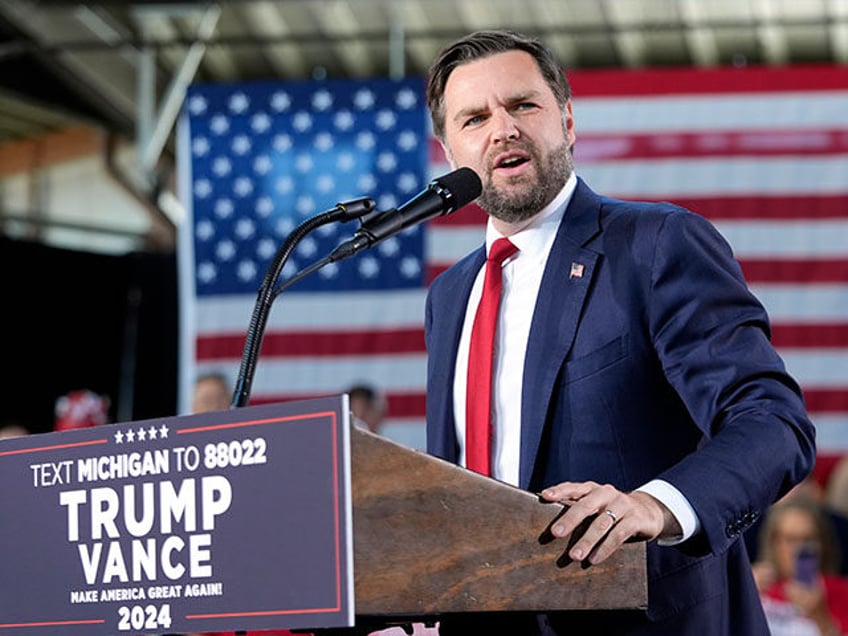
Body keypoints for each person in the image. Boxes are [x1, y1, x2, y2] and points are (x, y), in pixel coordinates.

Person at [423, 29, 815, 634]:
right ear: (450, 153)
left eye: (524, 105)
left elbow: (771, 421)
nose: (503, 128)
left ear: (568, 121)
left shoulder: (656, 245)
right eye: (474, 118)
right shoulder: (449, 296)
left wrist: (653, 504)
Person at [753, 497, 848, 635]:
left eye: (808, 539)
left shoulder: (840, 591)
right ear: (774, 543)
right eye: (790, 540)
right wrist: (742, 595)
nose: (800, 549)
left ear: (822, 543)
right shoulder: (758, 585)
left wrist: (820, 617)